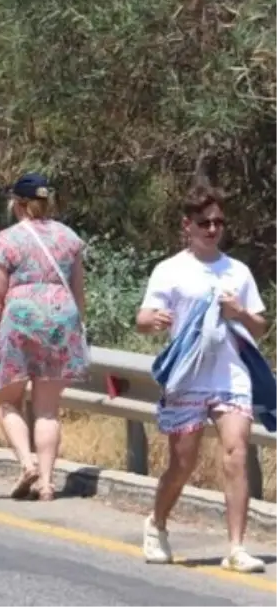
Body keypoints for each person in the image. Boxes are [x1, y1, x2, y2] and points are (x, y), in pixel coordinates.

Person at [136, 184, 268, 573]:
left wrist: (240, 312)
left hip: (231, 375)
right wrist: (154, 320)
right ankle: (157, 523)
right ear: (187, 225)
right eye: (204, 222)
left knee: (237, 453)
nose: (212, 229)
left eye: (218, 222)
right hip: (188, 376)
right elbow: (144, 319)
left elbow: (259, 327)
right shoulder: (170, 269)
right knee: (183, 462)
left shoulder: (238, 271)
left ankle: (237, 547)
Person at [0, 173, 89, 501]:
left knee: (7, 400)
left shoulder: (6, 241)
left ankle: (26, 463)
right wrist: (74, 327)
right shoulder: (69, 238)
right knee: (48, 409)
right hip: (61, 319)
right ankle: (49, 483)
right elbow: (79, 293)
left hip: (21, 318)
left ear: (18, 204)